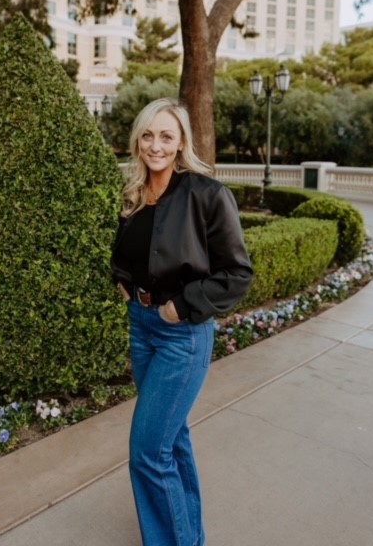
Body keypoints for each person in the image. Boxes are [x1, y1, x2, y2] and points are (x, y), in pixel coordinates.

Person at [111, 98, 253, 546]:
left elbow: (237, 274)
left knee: (148, 453)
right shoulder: (134, 194)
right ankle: (189, 537)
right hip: (142, 327)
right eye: (148, 135)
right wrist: (122, 279)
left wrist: (183, 305)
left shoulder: (207, 195)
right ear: (139, 140)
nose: (156, 144)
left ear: (181, 143)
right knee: (170, 439)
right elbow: (129, 252)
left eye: (166, 136)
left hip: (182, 335)